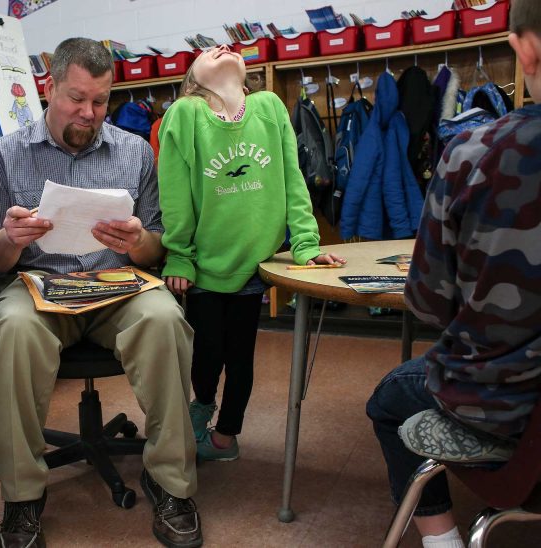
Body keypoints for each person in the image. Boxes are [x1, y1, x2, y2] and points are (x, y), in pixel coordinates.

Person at [0, 37, 202, 548]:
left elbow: (158, 245)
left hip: (116, 288)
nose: (89, 113)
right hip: (36, 287)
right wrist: (8, 239)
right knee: (10, 330)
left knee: (164, 320)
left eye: (100, 101)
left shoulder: (136, 152)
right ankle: (22, 497)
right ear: (49, 86)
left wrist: (140, 242)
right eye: (77, 98)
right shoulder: (5, 155)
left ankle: (170, 484)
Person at [366, 2, 541, 546]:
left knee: (391, 395)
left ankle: (443, 540)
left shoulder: (475, 152)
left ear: (524, 47)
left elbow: (429, 305)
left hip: (506, 407)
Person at [156, 44, 344, 461]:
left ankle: (225, 436)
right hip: (204, 264)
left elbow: (293, 180)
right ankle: (200, 408)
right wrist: (179, 256)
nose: (220, 48)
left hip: (253, 264)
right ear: (192, 80)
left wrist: (306, 245)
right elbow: (174, 194)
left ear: (246, 73)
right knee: (207, 354)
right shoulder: (185, 114)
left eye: (226, 49)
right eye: (205, 53)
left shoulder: (270, 107)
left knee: (241, 357)